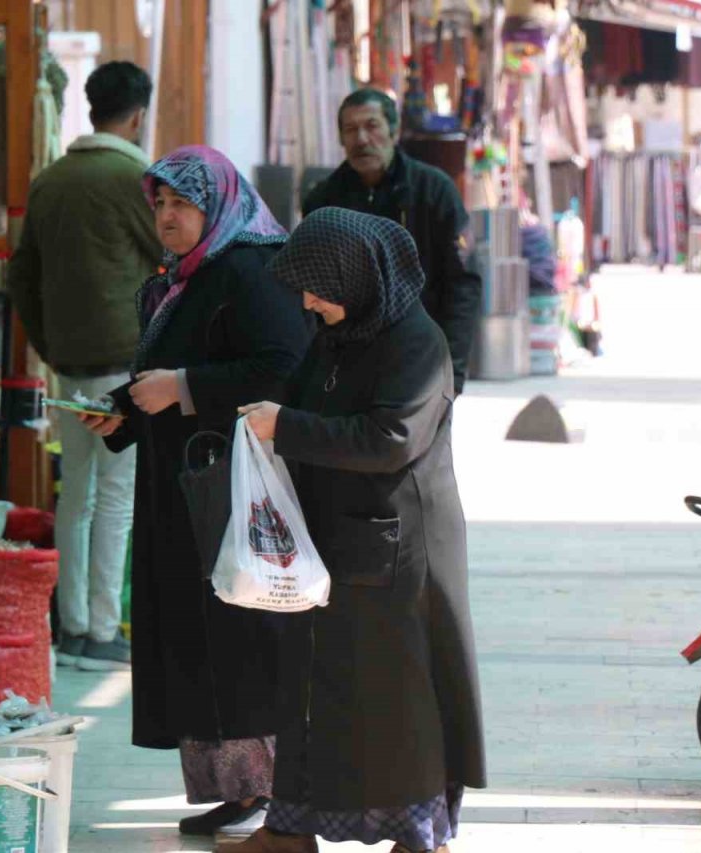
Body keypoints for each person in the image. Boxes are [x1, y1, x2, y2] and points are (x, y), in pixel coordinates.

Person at [230, 208, 487, 853]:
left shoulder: (417, 344)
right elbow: (304, 400)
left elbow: (391, 438)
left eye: (320, 289)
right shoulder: (338, 335)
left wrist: (286, 426)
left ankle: (418, 836)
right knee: (313, 686)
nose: (309, 303)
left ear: (359, 277)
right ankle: (290, 828)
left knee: (396, 698)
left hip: (398, 549)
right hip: (335, 539)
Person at [79, 145, 311, 837]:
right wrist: (122, 410)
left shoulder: (249, 269)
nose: (168, 216)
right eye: (160, 203)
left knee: (236, 632)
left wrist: (182, 388)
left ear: (218, 207)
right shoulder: (183, 279)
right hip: (183, 484)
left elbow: (282, 366)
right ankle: (233, 787)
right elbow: (173, 370)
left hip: (230, 488)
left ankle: (264, 784)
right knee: (194, 635)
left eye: (183, 203)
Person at [8, 61, 161, 671]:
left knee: (75, 493)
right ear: (138, 115)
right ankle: (101, 629)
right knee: (116, 495)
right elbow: (169, 254)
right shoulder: (136, 179)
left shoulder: (50, 181)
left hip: (68, 363)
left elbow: (22, 274)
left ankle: (70, 626)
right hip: (124, 361)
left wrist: (49, 344)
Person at [302, 88, 481, 394]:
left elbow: (462, 283)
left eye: (371, 126)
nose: (361, 139)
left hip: (421, 352)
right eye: (350, 129)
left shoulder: (433, 190)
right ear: (341, 139)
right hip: (349, 362)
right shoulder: (323, 201)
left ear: (394, 131)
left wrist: (453, 369)